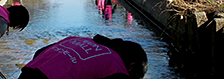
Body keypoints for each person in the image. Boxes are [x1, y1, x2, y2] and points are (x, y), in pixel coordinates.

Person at [18, 34, 148, 79]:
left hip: (27, 74)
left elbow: (39, 52)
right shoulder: (116, 67)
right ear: (131, 67)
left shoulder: (79, 40)